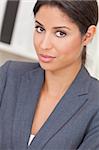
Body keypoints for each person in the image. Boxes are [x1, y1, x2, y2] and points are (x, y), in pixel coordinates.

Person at [0, 0, 99, 149]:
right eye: (40, 29)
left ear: (87, 36)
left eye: (60, 33)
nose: (44, 44)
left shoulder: (95, 103)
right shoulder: (10, 75)